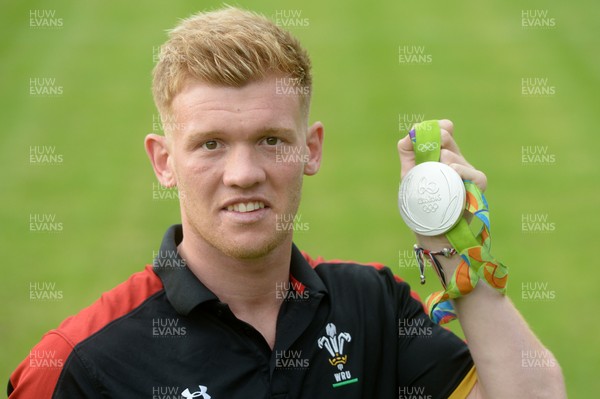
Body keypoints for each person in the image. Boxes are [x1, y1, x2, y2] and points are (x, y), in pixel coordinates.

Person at [8, 6, 566, 398]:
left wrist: (456, 248)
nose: (243, 174)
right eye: (210, 145)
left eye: (271, 140)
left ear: (311, 149)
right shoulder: (81, 361)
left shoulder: (371, 307)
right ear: (163, 161)